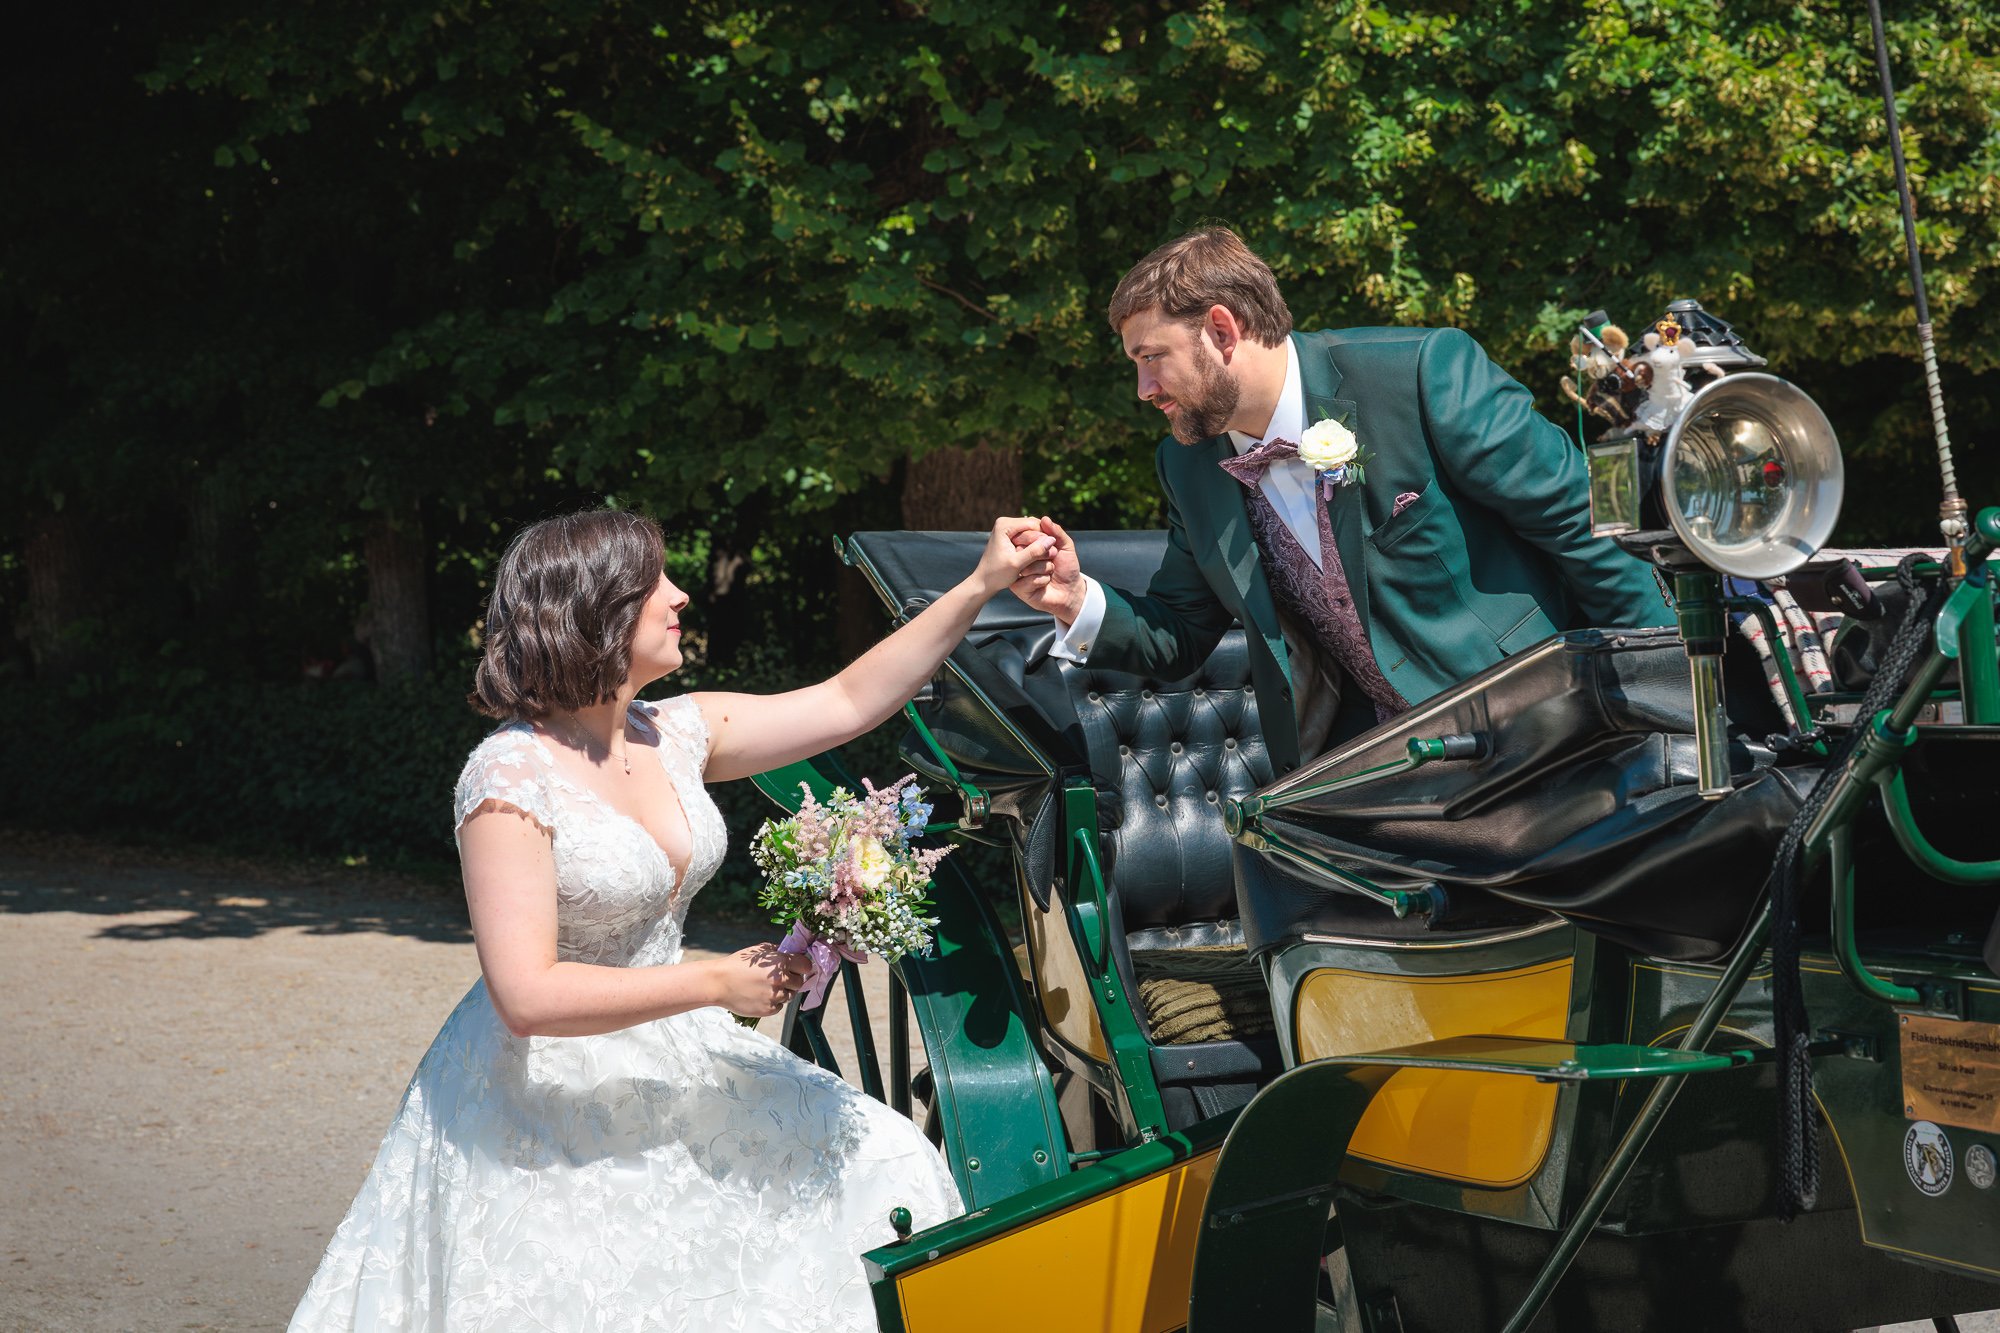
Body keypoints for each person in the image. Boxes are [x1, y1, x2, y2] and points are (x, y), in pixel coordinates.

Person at [291, 509, 1054, 1332]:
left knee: (883, 1154)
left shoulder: (675, 730)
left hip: (674, 1048)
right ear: (598, 609)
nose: (682, 595)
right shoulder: (508, 775)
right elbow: (525, 995)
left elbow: (848, 698)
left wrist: (979, 584)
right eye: (657, 583)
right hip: (539, 1089)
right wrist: (713, 982)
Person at [1012, 226, 1670, 772]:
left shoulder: (1421, 374)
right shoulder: (1189, 465)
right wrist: (1073, 599)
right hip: (1362, 770)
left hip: (1531, 729)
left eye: (1152, 357)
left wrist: (1661, 708)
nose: (1144, 388)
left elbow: (1591, 527)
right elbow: (1182, 630)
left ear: (1222, 330)